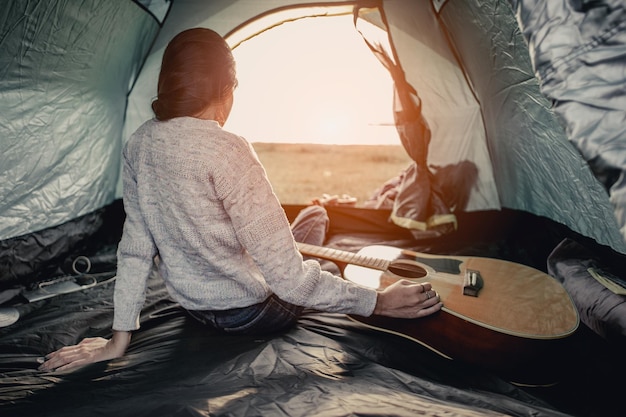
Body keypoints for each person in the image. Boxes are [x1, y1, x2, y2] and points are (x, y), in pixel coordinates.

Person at [40, 28, 442, 372]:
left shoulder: (141, 142)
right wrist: (377, 303)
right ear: (225, 89)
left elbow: (135, 249)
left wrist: (117, 340)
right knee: (314, 249)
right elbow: (290, 282)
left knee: (310, 221)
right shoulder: (228, 150)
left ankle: (317, 223)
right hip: (253, 314)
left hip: (195, 307)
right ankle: (321, 233)